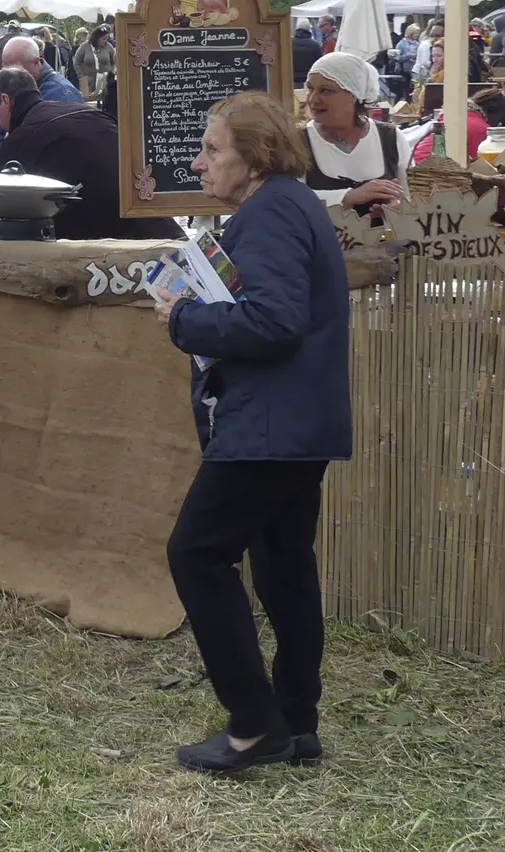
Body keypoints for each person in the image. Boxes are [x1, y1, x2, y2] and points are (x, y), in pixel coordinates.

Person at [154, 91, 351, 774]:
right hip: (299, 420)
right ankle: (296, 722)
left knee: (197, 554)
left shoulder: (269, 215)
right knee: (283, 570)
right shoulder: (290, 205)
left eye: (213, 150)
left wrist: (184, 321)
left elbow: (273, 322)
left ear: (255, 155)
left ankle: (255, 724)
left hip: (272, 422)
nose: (201, 162)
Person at [0, 67, 180, 240]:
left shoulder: (23, 137)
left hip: (116, 241)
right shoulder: (83, 111)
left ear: (5, 101)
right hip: (154, 218)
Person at [300, 52, 402, 214]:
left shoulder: (391, 137)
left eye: (326, 91)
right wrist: (348, 197)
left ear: (353, 94)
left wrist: (396, 207)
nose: (312, 99)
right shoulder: (297, 142)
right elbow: (289, 202)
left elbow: (413, 198)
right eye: (310, 88)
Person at [0, 34, 84, 105]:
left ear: (36, 63)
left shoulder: (64, 94)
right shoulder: (6, 88)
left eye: (16, 69)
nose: (9, 74)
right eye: (4, 67)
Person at [72, 25, 114, 101]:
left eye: (106, 39)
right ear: (96, 38)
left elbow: (115, 61)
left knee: (106, 101)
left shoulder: (109, 47)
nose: (105, 41)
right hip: (89, 82)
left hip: (105, 82)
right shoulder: (84, 46)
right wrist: (81, 76)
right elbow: (76, 62)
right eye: (103, 39)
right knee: (89, 103)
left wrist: (111, 74)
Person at [290, 22, 322, 88]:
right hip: (308, 79)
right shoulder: (315, 44)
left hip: (291, 78)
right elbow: (319, 63)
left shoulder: (289, 42)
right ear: (309, 30)